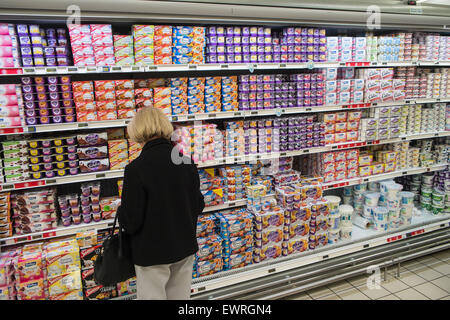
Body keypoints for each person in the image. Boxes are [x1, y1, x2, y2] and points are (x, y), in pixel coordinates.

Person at [117, 107, 205, 300]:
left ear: (137, 131)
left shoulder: (135, 169)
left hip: (151, 253)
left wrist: (120, 210)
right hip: (184, 247)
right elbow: (198, 205)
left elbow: (131, 221)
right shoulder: (186, 162)